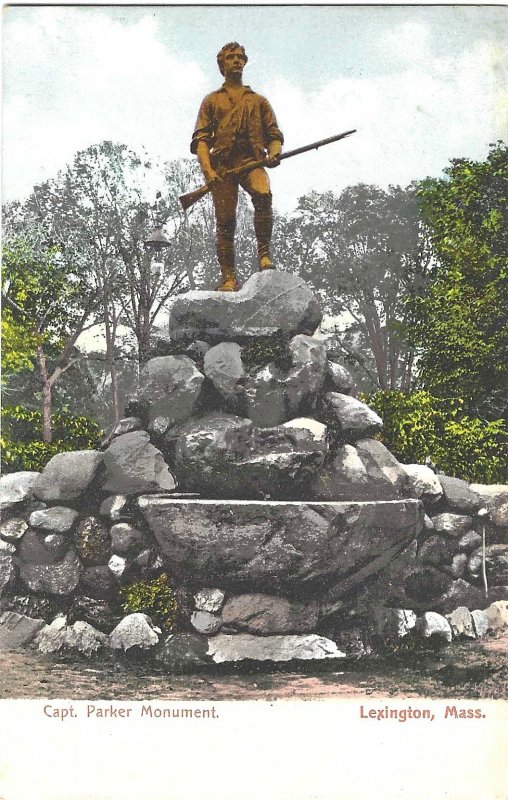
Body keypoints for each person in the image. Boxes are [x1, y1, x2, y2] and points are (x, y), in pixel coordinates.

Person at [191, 42, 284, 291]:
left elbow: (274, 135)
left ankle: (264, 255)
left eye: (240, 57)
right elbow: (200, 140)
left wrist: (274, 152)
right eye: (230, 57)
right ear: (222, 65)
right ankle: (228, 277)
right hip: (222, 167)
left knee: (263, 193)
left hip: (251, 161)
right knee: (225, 221)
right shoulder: (211, 101)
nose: (236, 60)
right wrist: (208, 171)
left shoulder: (259, 101)